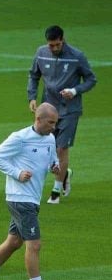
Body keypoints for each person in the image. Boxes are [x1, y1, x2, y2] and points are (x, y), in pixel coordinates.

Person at [0, 103, 63, 280]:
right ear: (38, 119)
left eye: (55, 123)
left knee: (13, 242)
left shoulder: (49, 138)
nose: (54, 127)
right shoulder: (20, 138)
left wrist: (54, 165)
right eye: (51, 122)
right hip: (19, 198)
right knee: (34, 244)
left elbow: (51, 157)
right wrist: (17, 173)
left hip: (31, 198)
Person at [27, 25, 96, 204]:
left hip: (69, 109)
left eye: (57, 45)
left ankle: (56, 191)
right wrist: (32, 97)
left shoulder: (76, 56)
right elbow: (34, 76)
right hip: (48, 108)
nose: (54, 48)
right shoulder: (41, 53)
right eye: (51, 45)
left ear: (62, 40)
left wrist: (75, 90)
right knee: (48, 149)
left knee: (61, 148)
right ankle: (65, 174)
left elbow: (91, 79)